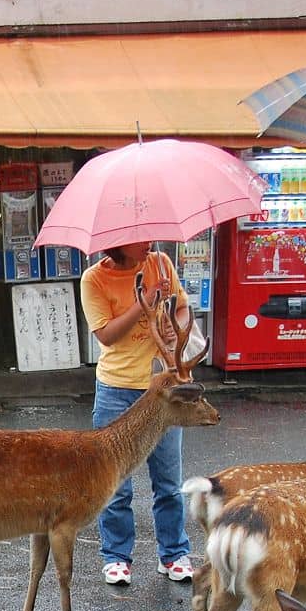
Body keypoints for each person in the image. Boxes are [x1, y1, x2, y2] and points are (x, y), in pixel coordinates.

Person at [79, 241, 198, 586]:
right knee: (115, 483)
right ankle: (116, 556)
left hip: (163, 386)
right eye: (139, 237)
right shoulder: (93, 279)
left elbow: (182, 309)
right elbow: (107, 335)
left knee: (168, 479)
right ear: (119, 243)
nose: (147, 241)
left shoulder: (160, 263)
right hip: (117, 389)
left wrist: (175, 327)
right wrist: (143, 302)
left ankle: (174, 553)